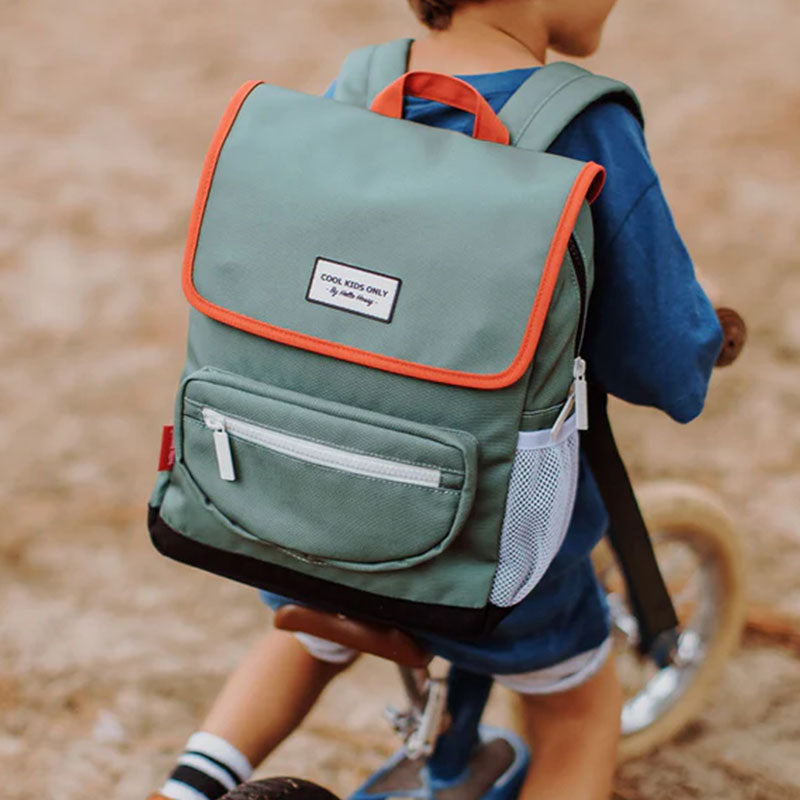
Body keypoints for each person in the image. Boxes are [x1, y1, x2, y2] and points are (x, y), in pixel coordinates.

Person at [150, 1, 723, 799]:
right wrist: (701, 350)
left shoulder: (361, 82)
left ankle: (184, 788)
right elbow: (660, 355)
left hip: (292, 509)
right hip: (484, 555)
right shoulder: (587, 128)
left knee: (309, 629)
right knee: (578, 706)